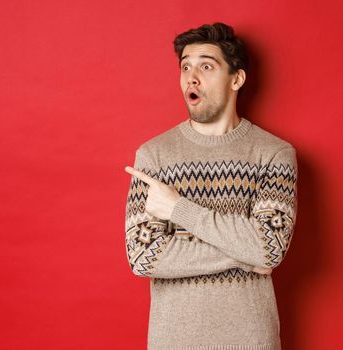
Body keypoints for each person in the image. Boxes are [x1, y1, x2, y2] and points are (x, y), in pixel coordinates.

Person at [123, 22, 298, 350]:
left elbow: (269, 246)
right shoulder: (153, 156)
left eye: (206, 66)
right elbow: (144, 256)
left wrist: (178, 209)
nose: (191, 76)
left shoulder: (274, 154)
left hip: (251, 341)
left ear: (237, 78)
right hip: (173, 342)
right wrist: (246, 255)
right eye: (185, 66)